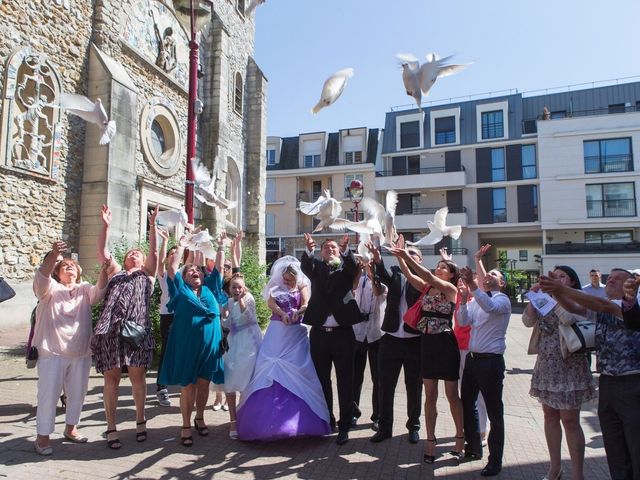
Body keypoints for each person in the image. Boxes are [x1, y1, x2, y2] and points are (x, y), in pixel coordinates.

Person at [540, 268, 640, 480]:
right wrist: (557, 292)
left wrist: (559, 288)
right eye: (609, 278)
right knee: (615, 446)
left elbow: (602, 304)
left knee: (634, 444)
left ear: (630, 286)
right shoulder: (604, 308)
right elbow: (575, 308)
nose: (610, 281)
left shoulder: (630, 307)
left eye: (617, 279)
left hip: (632, 383)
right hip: (608, 383)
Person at [236, 256, 330, 440]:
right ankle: (264, 421)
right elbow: (270, 303)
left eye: (290, 279)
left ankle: (300, 420)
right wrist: (282, 313)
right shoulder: (275, 285)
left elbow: (306, 304)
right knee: (270, 369)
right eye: (285, 278)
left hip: (296, 335)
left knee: (299, 371)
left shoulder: (303, 286)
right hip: (277, 332)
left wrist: (297, 312)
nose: (287, 282)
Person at [387, 241, 463, 464]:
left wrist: (407, 256)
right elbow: (410, 275)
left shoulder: (451, 290)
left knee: (451, 396)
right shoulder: (427, 288)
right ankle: (430, 442)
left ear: (451, 275)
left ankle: (460, 438)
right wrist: (400, 257)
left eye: (444, 268)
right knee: (430, 396)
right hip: (427, 344)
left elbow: (428, 277)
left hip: (446, 344)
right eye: (438, 266)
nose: (438, 269)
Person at [91, 205, 159, 450]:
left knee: (137, 378)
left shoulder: (147, 275)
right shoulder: (116, 272)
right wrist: (106, 226)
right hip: (111, 331)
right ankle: (111, 428)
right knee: (111, 380)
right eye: (130, 253)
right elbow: (102, 252)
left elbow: (154, 256)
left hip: (137, 332)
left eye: (137, 254)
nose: (133, 255)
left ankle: (141, 421)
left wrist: (152, 227)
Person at [32, 241, 108, 455]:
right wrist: (55, 254)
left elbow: (99, 293)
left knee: (78, 394)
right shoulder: (49, 290)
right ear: (57, 272)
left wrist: (104, 270)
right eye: (64, 266)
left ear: (79, 271)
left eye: (72, 265)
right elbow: (42, 276)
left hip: (81, 352)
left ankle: (71, 429)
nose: (69, 267)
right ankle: (42, 437)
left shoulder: (84, 289)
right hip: (52, 352)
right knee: (48, 395)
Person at [523, 266, 596, 480]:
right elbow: (527, 322)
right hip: (546, 364)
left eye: (561, 276)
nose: (556, 279)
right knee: (550, 416)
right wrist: (534, 298)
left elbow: (568, 318)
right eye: (553, 276)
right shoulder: (544, 297)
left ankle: (577, 474)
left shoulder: (579, 297)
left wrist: (554, 294)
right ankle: (555, 468)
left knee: (570, 420)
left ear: (572, 281)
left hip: (570, 364)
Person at [160, 233, 227, 446]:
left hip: (210, 347)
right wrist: (180, 246)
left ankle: (200, 417)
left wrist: (221, 245)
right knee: (188, 385)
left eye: (197, 270)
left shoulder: (211, 289)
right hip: (187, 346)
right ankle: (186, 425)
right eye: (190, 270)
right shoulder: (179, 290)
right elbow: (172, 269)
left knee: (204, 384)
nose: (195, 271)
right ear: (184, 277)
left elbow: (219, 268)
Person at [301, 233, 362, 445]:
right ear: (321, 252)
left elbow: (353, 268)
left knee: (346, 381)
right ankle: (328, 418)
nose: (330, 250)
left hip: (343, 335)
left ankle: (345, 425)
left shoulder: (345, 269)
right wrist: (308, 250)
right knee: (322, 380)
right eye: (326, 248)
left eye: (334, 247)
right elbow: (306, 268)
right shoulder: (316, 267)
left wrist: (347, 251)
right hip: (319, 335)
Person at [457, 259, 512, 477]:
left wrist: (472, 286)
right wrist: (463, 300)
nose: (488, 276)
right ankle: (473, 448)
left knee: (494, 411)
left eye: (494, 274)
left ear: (502, 283)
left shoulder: (503, 300)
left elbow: (490, 307)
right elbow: (463, 321)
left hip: (491, 362)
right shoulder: (475, 300)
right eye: (486, 273)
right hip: (472, 359)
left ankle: (495, 460)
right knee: (467, 403)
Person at [370, 242, 423, 445]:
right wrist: (377, 257)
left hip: (415, 342)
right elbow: (381, 273)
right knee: (385, 386)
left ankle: (413, 427)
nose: (408, 255)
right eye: (406, 253)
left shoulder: (423, 280)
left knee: (414, 388)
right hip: (390, 339)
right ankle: (385, 428)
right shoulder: (395, 274)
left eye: (413, 254)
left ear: (420, 260)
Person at [221, 272, 263, 439]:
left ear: (244, 288)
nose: (237, 290)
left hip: (250, 342)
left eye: (240, 287)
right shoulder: (229, 302)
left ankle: (247, 417)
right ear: (230, 289)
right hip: (234, 343)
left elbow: (249, 317)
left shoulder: (249, 298)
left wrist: (242, 301)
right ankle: (233, 420)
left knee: (249, 380)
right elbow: (227, 324)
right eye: (234, 287)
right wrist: (224, 313)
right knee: (230, 380)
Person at [351, 252, 386, 430]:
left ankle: (378, 416)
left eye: (370, 263)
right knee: (354, 377)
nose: (367, 265)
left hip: (375, 334)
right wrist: (358, 271)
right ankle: (353, 413)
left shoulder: (384, 282)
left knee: (378, 378)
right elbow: (352, 289)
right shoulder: (358, 279)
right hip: (357, 332)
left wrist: (373, 275)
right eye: (366, 263)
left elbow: (379, 292)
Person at [155, 228, 176, 407]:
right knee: (167, 351)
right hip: (168, 316)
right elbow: (160, 262)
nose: (174, 256)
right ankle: (161, 388)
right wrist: (165, 242)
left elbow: (193, 260)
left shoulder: (183, 273)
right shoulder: (163, 275)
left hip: (183, 316)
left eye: (177, 254)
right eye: (171, 254)